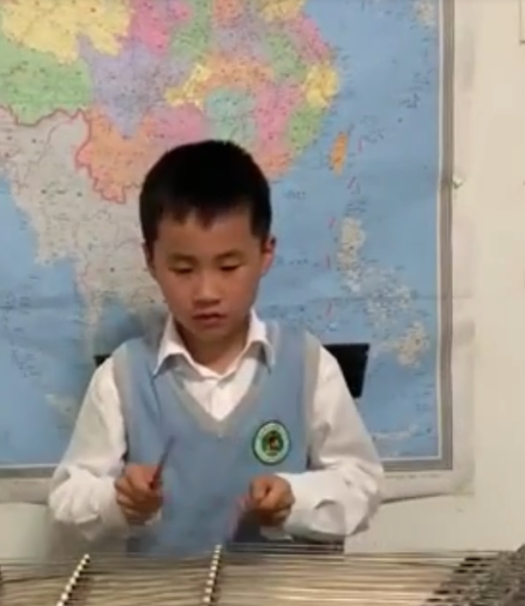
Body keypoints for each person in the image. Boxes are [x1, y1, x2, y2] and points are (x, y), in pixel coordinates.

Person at [48, 140, 383, 556]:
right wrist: (117, 500)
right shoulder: (122, 377)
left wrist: (294, 499)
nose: (206, 292)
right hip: (168, 589)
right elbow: (68, 496)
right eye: (183, 268)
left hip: (287, 589)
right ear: (151, 261)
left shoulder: (309, 365)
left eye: (228, 266)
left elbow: (362, 483)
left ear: (265, 253)